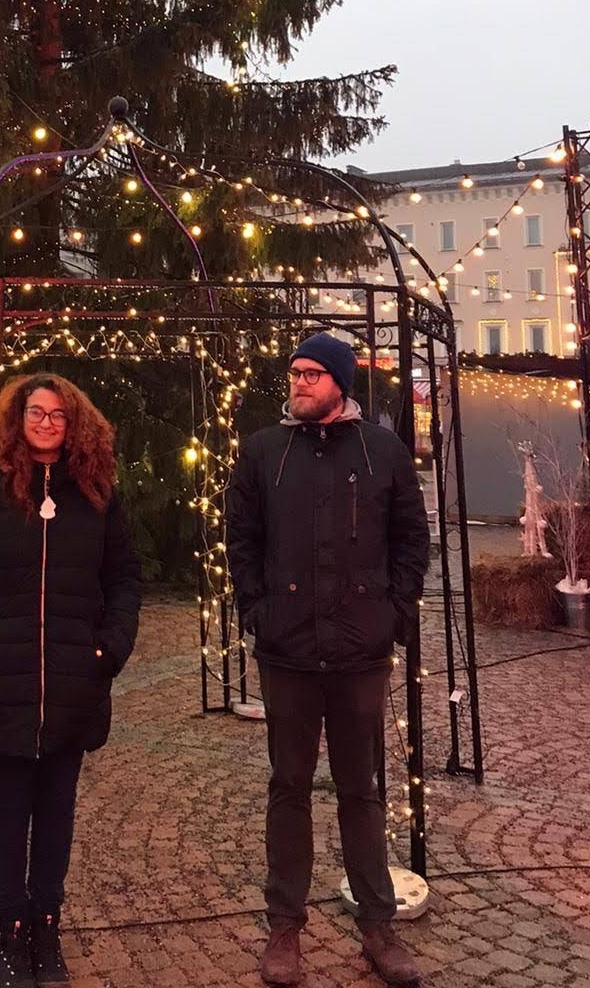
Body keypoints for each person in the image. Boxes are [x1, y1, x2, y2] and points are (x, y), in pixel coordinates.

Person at [226, 333, 430, 987]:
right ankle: (284, 928)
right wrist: (258, 609)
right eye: (294, 373)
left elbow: (410, 538)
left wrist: (393, 614)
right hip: (287, 652)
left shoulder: (384, 451)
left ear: (340, 382)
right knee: (289, 788)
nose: (299, 382)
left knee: (361, 791)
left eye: (312, 373)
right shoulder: (265, 452)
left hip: (359, 652)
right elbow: (242, 536)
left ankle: (377, 926)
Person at [0, 373, 142, 988]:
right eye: (35, 412)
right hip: (3, 678)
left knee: (56, 810)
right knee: (7, 811)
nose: (47, 423)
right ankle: (9, 931)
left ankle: (46, 922)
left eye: (57, 414)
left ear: (74, 423)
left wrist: (108, 650)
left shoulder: (99, 496)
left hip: (75, 680)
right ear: (17, 420)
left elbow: (126, 579)